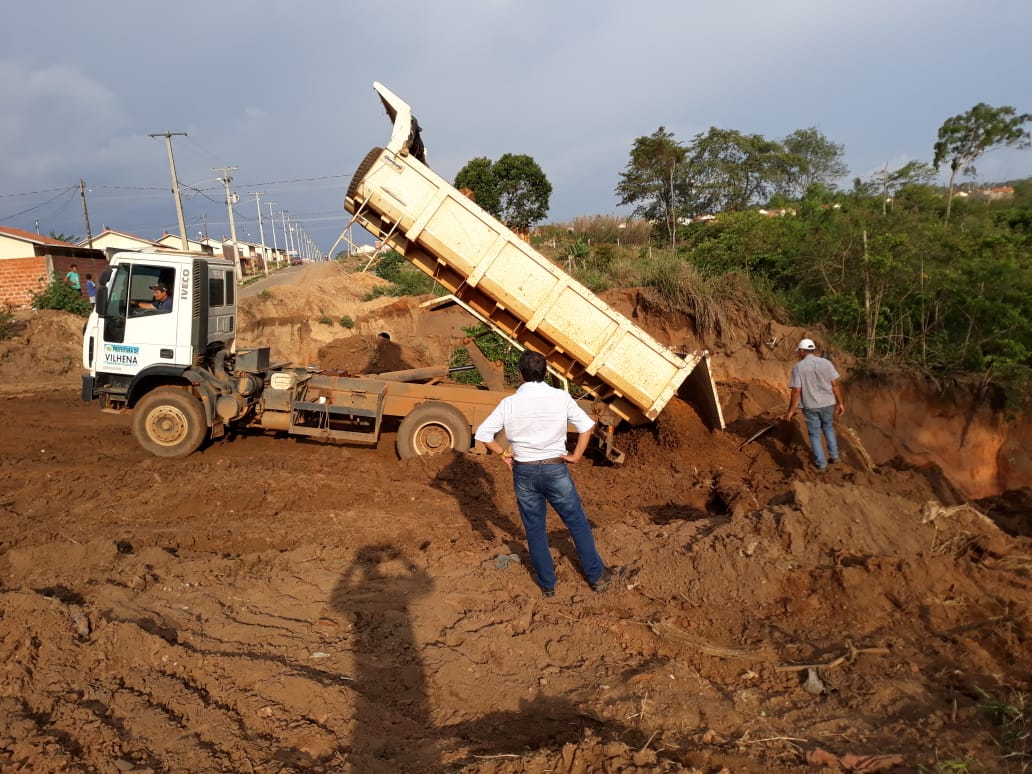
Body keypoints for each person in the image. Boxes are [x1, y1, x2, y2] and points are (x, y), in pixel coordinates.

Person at [474, 350, 620, 597]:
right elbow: (586, 427)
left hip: (524, 471)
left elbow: (483, 434)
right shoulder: (560, 398)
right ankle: (597, 577)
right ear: (545, 373)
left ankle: (547, 585)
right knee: (577, 523)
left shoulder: (508, 403)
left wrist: (503, 455)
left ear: (520, 375)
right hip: (555, 469)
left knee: (534, 529)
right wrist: (575, 456)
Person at [783, 338, 845, 471]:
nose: (799, 353)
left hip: (811, 406)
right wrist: (840, 403)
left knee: (814, 434)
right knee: (828, 427)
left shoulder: (798, 367)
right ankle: (835, 456)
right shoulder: (827, 363)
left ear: (802, 351)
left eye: (799, 351)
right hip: (828, 403)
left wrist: (790, 411)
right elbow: (835, 384)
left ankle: (822, 464)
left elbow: (796, 390)